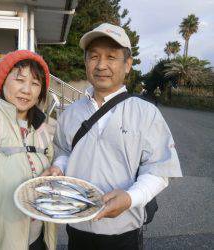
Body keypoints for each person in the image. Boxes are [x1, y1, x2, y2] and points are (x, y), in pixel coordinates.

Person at [44, 23, 182, 250]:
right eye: (94, 56)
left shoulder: (146, 112)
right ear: (86, 62)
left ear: (127, 64)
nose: (101, 65)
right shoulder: (70, 112)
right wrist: (59, 166)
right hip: (77, 228)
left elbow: (159, 170)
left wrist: (130, 198)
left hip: (123, 232)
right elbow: (65, 151)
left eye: (111, 57)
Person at [0, 50, 57, 250]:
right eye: (19, 80)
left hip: (39, 241)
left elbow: (45, 180)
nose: (26, 90)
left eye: (35, 83)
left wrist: (51, 175)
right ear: (3, 81)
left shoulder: (42, 130)